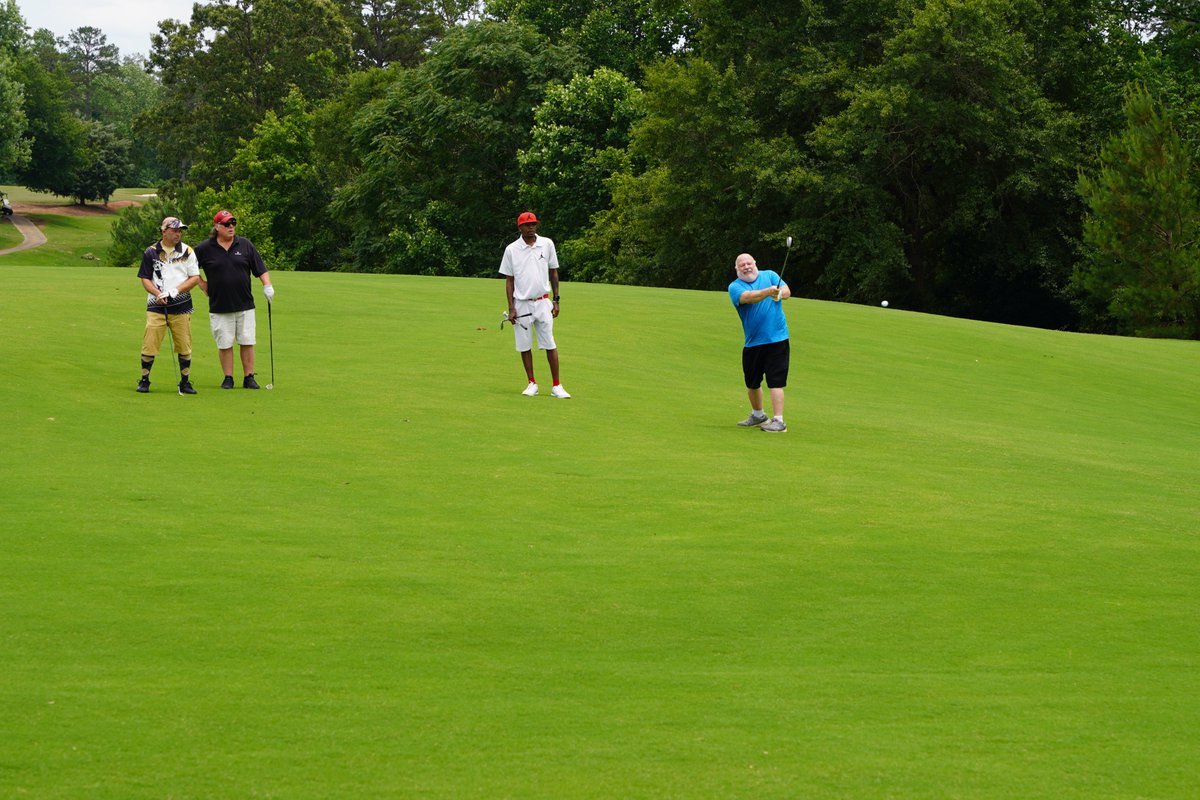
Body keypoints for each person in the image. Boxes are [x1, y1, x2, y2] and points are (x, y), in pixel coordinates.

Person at [195, 210, 274, 389]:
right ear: (217, 227)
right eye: (226, 224)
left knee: (247, 341)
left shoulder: (244, 244)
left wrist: (267, 286)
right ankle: (228, 377)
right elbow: (189, 268)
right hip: (219, 304)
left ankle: (249, 377)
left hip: (244, 304)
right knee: (224, 343)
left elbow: (260, 268)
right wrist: (202, 284)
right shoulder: (204, 248)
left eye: (233, 223)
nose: (231, 227)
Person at [499, 211, 570, 398]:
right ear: (520, 227)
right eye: (527, 225)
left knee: (550, 343)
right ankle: (532, 383)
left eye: (533, 224)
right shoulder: (511, 250)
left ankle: (557, 385)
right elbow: (509, 280)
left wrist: (556, 300)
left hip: (543, 302)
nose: (531, 228)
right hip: (522, 304)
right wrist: (511, 307)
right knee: (524, 345)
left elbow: (553, 272)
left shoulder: (546, 244)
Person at [136, 216, 201, 394]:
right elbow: (145, 278)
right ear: (164, 231)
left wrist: (175, 291)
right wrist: (158, 294)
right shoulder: (151, 252)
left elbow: (194, 278)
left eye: (180, 230)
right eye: (174, 230)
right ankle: (144, 379)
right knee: (150, 343)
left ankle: (185, 381)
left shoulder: (187, 251)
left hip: (181, 305)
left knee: (184, 344)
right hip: (156, 305)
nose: (178, 234)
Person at [728, 252, 791, 432]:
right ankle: (758, 415)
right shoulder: (735, 286)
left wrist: (779, 294)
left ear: (755, 263)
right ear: (737, 269)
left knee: (775, 380)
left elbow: (787, 291)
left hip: (777, 339)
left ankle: (779, 421)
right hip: (753, 342)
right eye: (742, 265)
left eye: (749, 263)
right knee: (752, 382)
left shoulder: (770, 275)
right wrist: (768, 291)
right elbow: (748, 297)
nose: (746, 267)